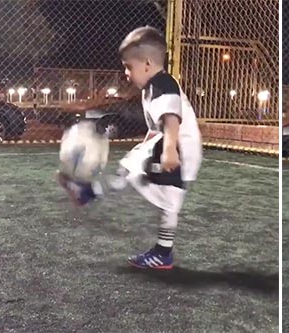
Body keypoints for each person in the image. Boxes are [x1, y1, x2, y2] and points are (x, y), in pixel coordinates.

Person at [58, 26, 202, 270]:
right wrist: (147, 146)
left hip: (179, 150)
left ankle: (163, 254)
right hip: (166, 145)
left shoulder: (162, 84)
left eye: (128, 66)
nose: (126, 73)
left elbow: (171, 118)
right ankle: (87, 192)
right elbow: (159, 124)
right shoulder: (152, 88)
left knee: (167, 201)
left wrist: (168, 150)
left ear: (147, 63)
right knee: (129, 169)